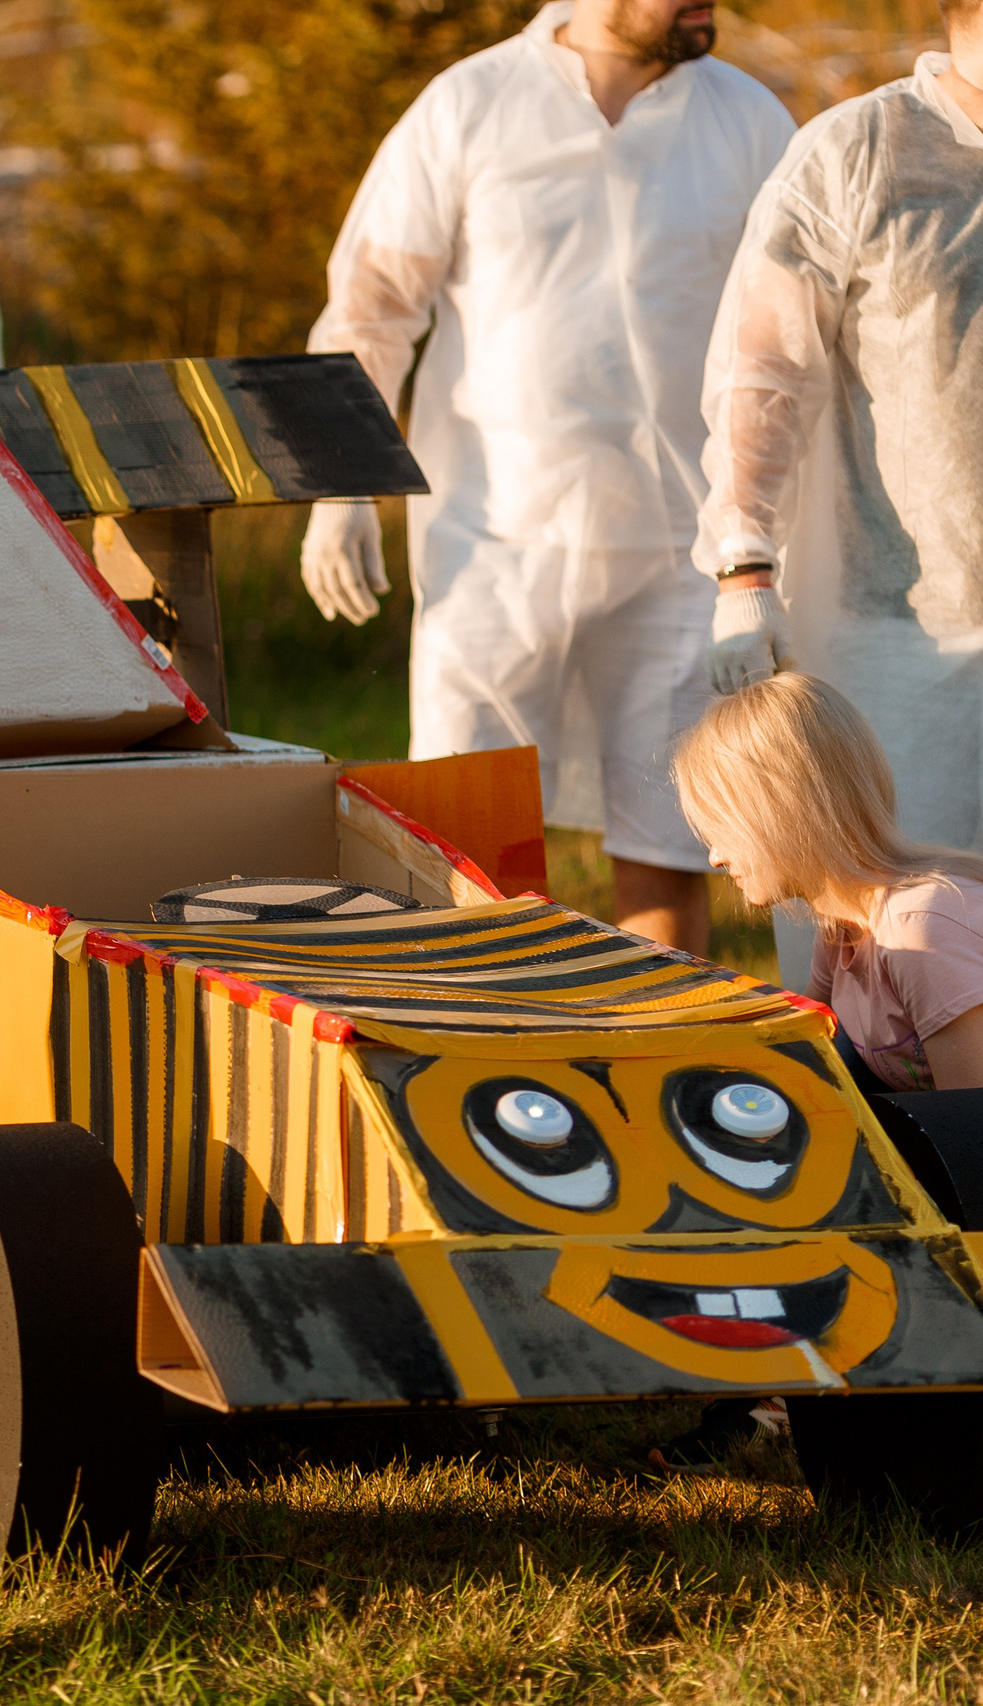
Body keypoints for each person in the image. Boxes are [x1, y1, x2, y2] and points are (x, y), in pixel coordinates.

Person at [300, 0, 792, 954]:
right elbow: (371, 308)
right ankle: (483, 1062)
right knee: (462, 843)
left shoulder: (748, 118)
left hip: (679, 551)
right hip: (492, 542)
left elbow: (789, 332)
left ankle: (660, 1057)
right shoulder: (471, 104)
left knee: (676, 841)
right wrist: (340, 482)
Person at [695, 0, 983, 987]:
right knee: (887, 952)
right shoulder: (858, 153)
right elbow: (761, 370)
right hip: (904, 641)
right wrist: (743, 566)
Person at [656, 669, 983, 1471]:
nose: (713, 853)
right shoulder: (846, 930)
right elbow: (800, 1068)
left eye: (723, 825)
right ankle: (765, 1386)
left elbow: (974, 1131)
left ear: (780, 812)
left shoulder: (921, 924)